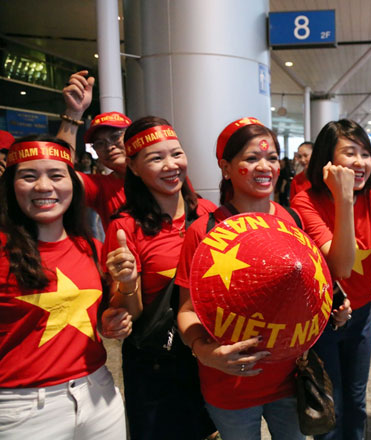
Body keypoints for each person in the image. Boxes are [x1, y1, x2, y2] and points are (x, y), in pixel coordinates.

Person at [175, 117, 350, 440]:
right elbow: (186, 311)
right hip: (229, 384)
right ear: (226, 167)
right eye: (252, 158)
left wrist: (330, 310)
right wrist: (205, 352)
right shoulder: (205, 230)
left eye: (271, 158)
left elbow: (307, 288)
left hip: (290, 379)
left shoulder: (291, 219)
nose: (265, 167)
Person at [292, 119, 371, 440]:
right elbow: (343, 265)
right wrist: (345, 199)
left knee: (357, 403)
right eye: (350, 152)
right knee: (331, 410)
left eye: (365, 153)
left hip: (360, 316)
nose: (361, 162)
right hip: (321, 322)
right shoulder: (305, 202)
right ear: (327, 160)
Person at [0, 135, 127, 438]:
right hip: (22, 408)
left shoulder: (92, 247)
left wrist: (114, 315)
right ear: (10, 186)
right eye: (29, 176)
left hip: (99, 394)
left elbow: (105, 317)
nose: (44, 187)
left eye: (56, 175)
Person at [102, 117, 217, 439]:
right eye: (156, 158)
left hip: (205, 354)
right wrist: (126, 282)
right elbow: (132, 313)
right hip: (156, 365)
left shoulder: (209, 214)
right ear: (134, 168)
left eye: (176, 154)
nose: (171, 165)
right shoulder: (124, 227)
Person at [57, 70, 132, 231]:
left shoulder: (161, 173)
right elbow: (57, 172)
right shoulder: (102, 187)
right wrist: (74, 112)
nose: (109, 146)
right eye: (99, 143)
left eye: (115, 136)